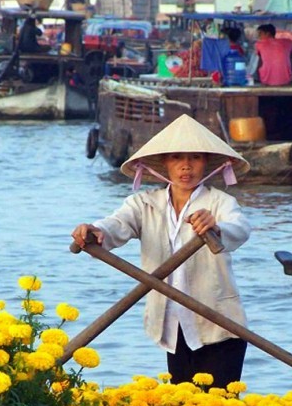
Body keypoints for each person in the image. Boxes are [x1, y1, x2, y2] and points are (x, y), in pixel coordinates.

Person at [71, 114, 251, 388]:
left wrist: (215, 226)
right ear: (165, 163)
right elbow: (116, 224)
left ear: (206, 163)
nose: (186, 166)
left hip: (220, 326)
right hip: (173, 326)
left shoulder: (219, 202)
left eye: (195, 158)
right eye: (177, 158)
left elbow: (240, 228)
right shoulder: (144, 204)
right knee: (181, 403)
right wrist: (95, 230)